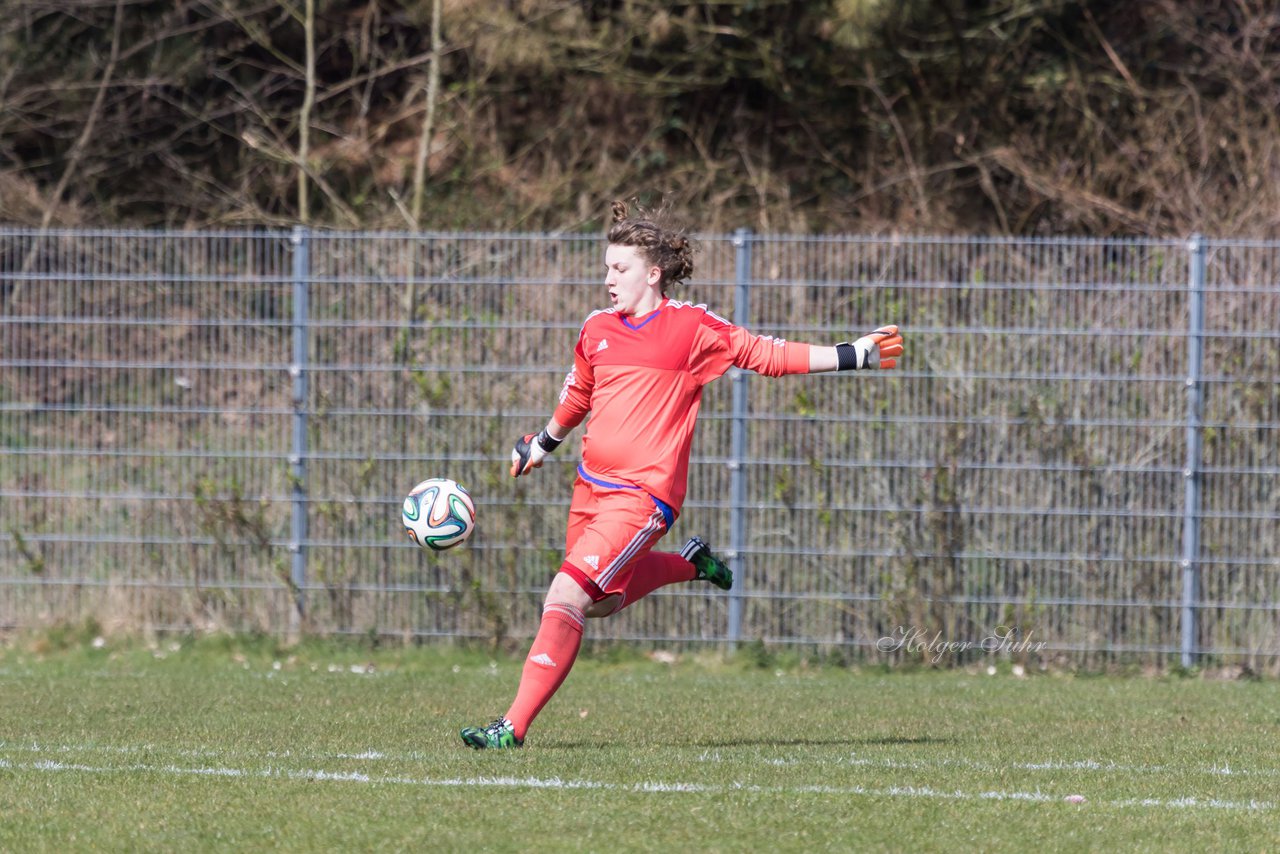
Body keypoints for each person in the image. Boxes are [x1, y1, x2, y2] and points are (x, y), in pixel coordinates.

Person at [460, 200, 904, 749]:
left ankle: (511, 729)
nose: (607, 280)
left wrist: (849, 355)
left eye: (618, 269)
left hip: (643, 497)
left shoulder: (690, 327)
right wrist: (543, 443)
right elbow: (579, 392)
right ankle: (691, 566)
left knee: (565, 597)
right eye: (605, 268)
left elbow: (762, 352)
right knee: (598, 602)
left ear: (653, 273)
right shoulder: (597, 328)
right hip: (590, 489)